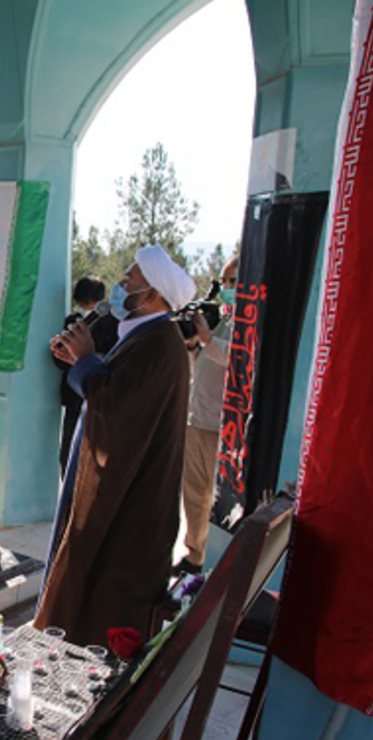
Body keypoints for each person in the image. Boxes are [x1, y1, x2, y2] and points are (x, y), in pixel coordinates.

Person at [34, 245, 195, 645]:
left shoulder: (159, 343)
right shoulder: (148, 336)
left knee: (105, 585)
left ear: (152, 294)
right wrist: (80, 361)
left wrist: (88, 358)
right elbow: (120, 389)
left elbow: (118, 408)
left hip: (132, 495)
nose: (120, 286)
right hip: (130, 484)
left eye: (129, 280)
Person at [176, 255, 239, 576]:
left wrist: (208, 341)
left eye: (232, 282)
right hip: (196, 420)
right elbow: (200, 365)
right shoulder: (223, 318)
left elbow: (242, 360)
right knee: (193, 496)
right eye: (224, 281)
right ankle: (194, 555)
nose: (226, 287)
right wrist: (192, 344)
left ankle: (214, 562)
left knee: (216, 500)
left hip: (222, 427)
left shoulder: (251, 323)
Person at [53, 276, 119, 474]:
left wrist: (87, 358)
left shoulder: (114, 323)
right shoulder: (73, 322)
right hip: (75, 397)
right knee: (68, 456)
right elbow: (58, 357)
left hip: (95, 397)